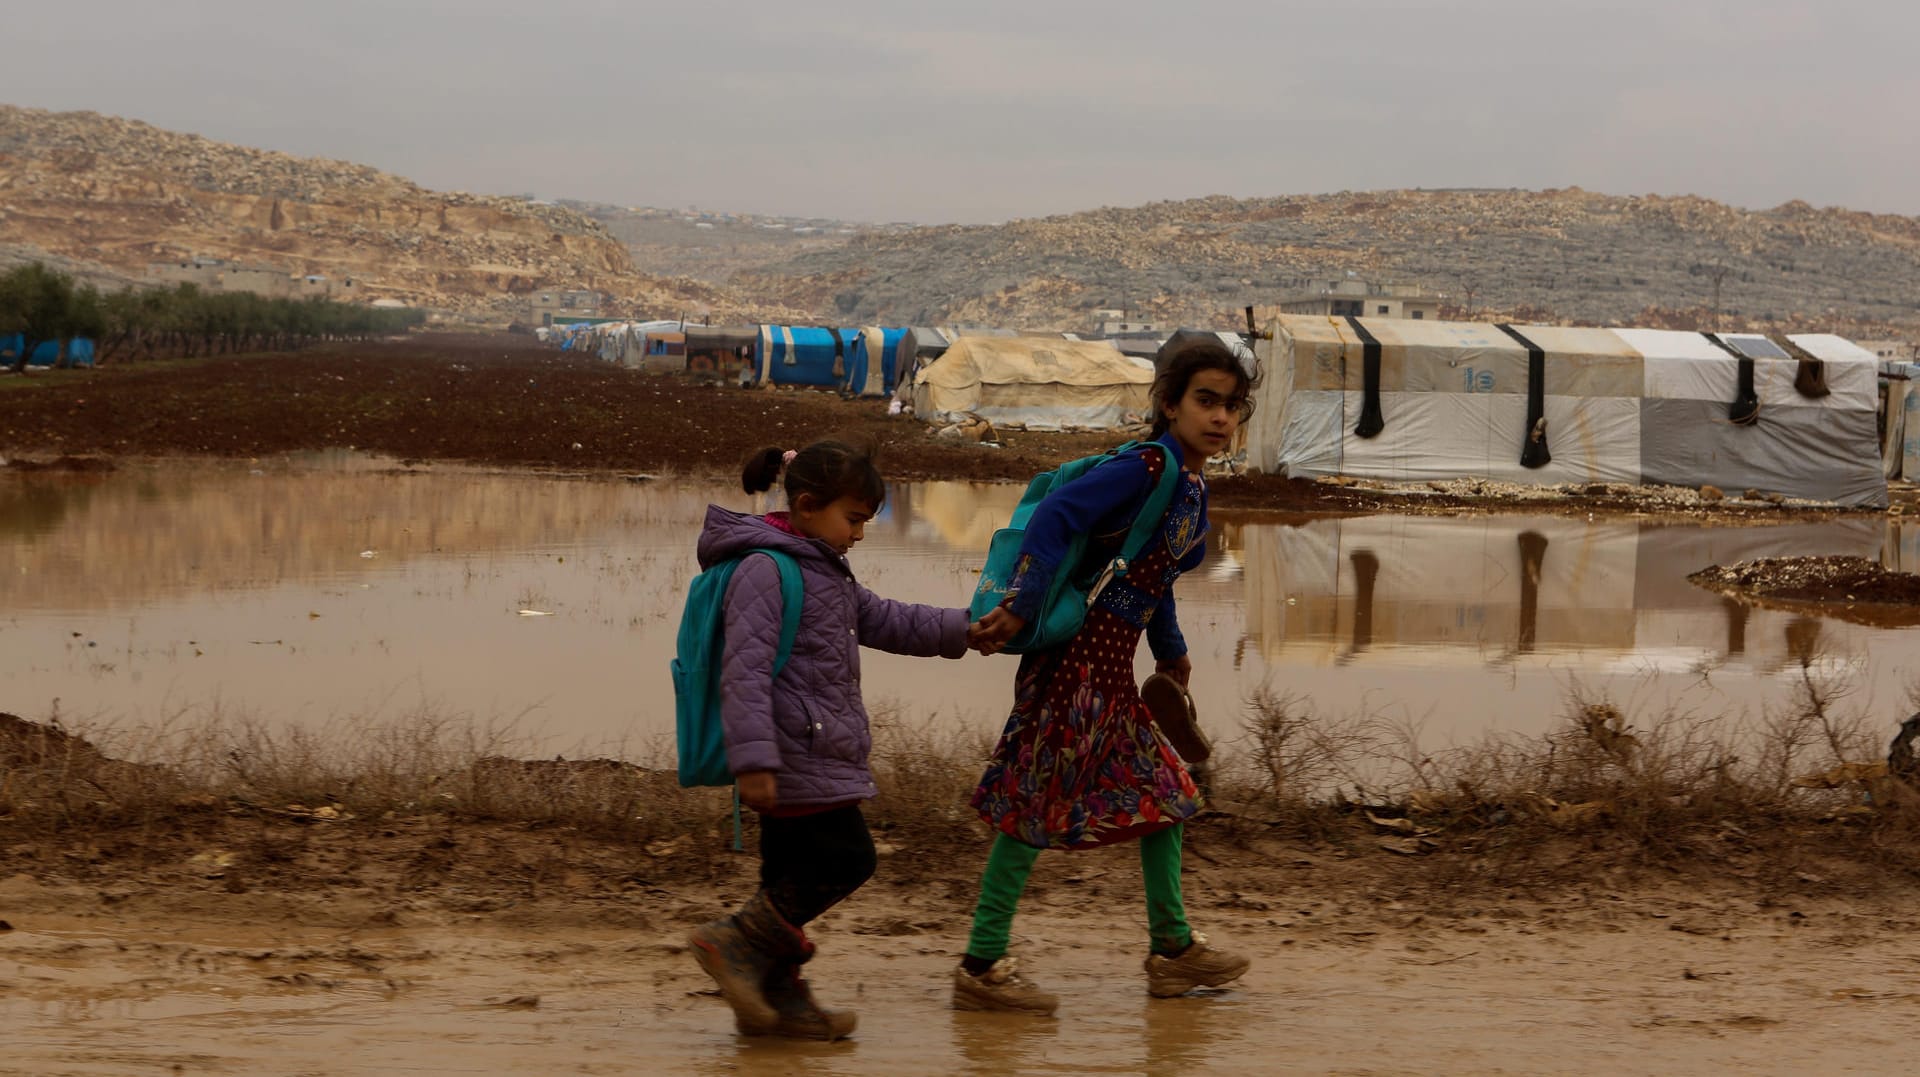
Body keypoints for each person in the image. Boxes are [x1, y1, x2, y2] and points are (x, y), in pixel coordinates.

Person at [954, 338, 1257, 1014]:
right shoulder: (1148, 467)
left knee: (1167, 797)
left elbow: (1154, 576)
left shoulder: (1190, 480)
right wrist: (1022, 603)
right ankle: (981, 963)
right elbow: (1060, 517)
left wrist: (1171, 651)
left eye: (1232, 406)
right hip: (1073, 664)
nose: (1220, 417)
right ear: (1169, 402)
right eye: (1205, 400)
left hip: (1112, 668)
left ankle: (1172, 951)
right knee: (1031, 803)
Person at [687, 439, 977, 1041]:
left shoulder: (823, 569)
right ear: (808, 505)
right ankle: (733, 940)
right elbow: (742, 672)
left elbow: (887, 619)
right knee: (848, 858)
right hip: (793, 756)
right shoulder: (767, 569)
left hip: (808, 753)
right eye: (854, 520)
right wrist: (755, 761)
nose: (860, 535)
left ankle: (779, 1005)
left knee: (785, 878)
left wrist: (965, 630)